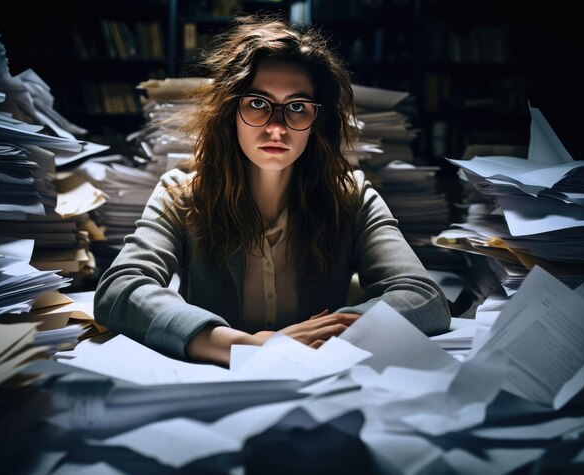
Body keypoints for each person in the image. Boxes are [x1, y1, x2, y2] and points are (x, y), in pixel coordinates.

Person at [94, 14, 451, 367]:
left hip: (321, 383)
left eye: (297, 107)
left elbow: (423, 298)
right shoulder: (180, 194)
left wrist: (325, 334)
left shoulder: (352, 196)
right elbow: (121, 289)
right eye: (258, 104)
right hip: (219, 384)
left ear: (316, 121)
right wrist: (241, 346)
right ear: (230, 112)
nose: (277, 128)